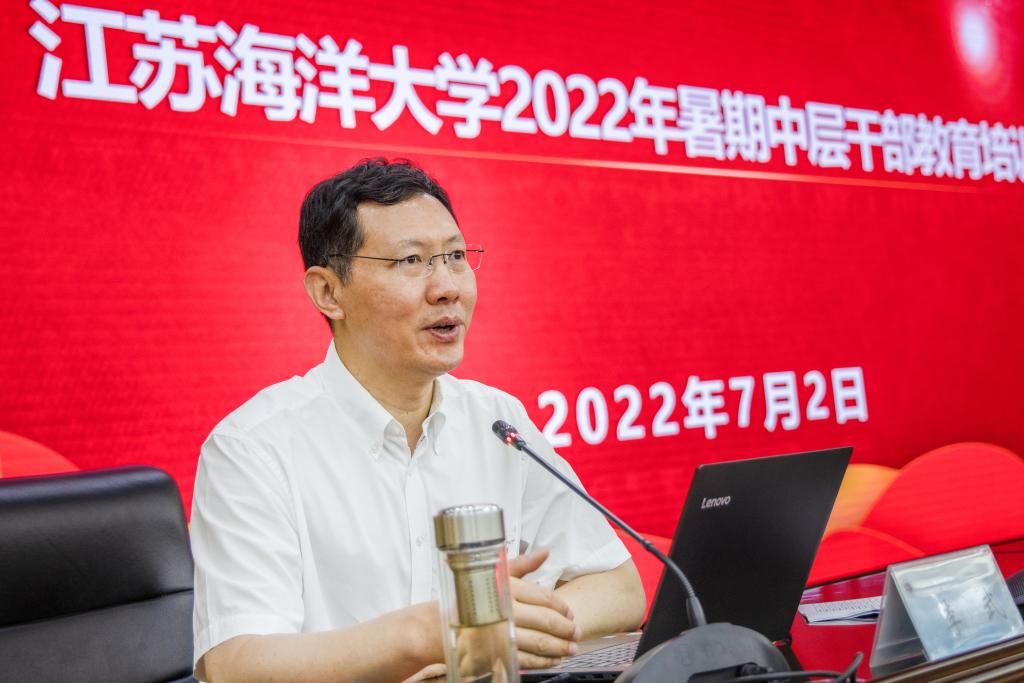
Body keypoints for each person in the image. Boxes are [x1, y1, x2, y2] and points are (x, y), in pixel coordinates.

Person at [190, 158, 645, 683]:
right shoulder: (252, 448)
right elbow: (236, 663)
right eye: (412, 261)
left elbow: (618, 587)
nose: (448, 287)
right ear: (329, 293)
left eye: (456, 257)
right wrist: (421, 637)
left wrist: (487, 635)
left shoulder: (497, 420)